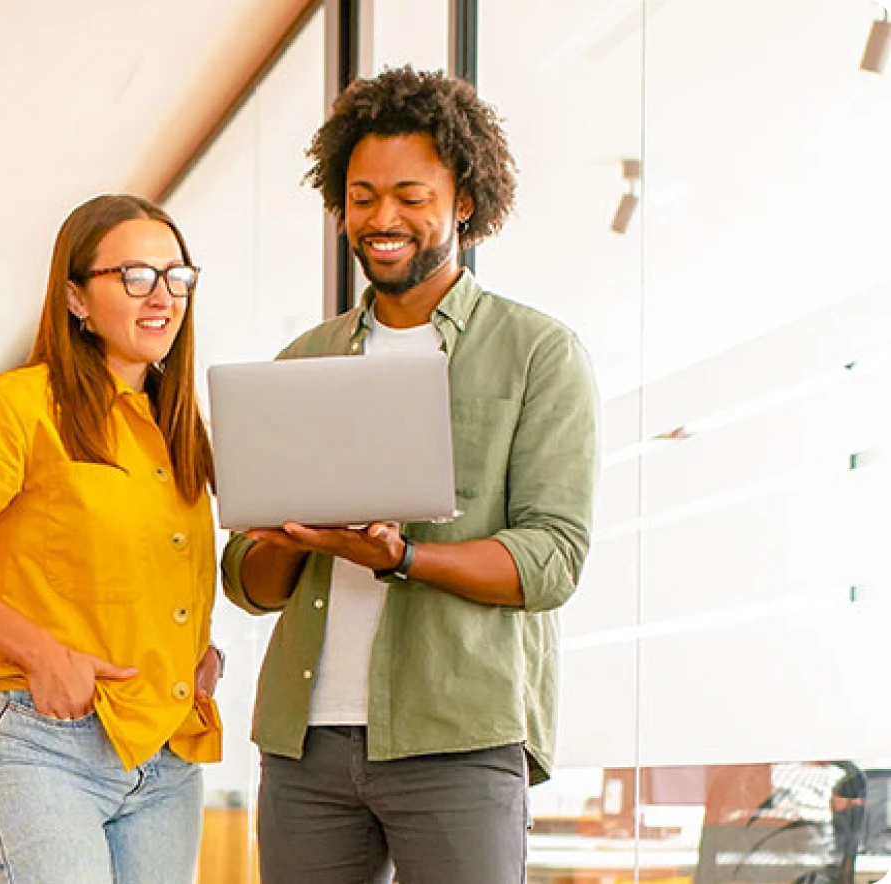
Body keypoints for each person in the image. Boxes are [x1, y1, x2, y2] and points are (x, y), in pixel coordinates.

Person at [221, 67, 600, 884]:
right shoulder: (302, 362)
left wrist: (400, 559)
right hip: (304, 746)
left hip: (459, 738)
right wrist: (292, 542)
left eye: (410, 196)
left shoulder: (537, 353)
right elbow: (246, 582)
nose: (382, 219)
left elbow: (552, 558)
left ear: (464, 202)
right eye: (361, 198)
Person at [0, 194, 223, 884]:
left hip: (167, 755)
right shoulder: (22, 407)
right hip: (46, 745)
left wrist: (194, 650)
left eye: (177, 276)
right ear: (75, 298)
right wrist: (40, 653)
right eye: (135, 276)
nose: (163, 296)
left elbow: (140, 569)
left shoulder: (179, 428)